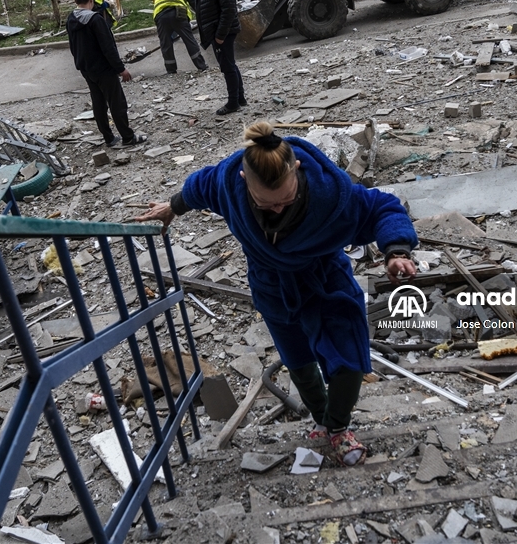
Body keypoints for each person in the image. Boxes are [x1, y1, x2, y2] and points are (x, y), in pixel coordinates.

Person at [136, 122, 418, 466]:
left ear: (296, 169)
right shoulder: (227, 182)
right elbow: (198, 187)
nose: (279, 209)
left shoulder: (332, 194)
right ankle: (319, 418)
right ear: (243, 179)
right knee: (298, 359)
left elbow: (382, 208)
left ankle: (337, 426)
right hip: (272, 285)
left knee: (348, 358)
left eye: (287, 198)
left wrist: (397, 251)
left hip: (325, 280)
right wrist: (170, 208)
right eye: (267, 204)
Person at [66, 0, 147, 149]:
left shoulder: (71, 19)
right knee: (117, 103)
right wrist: (120, 68)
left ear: (75, 1)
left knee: (98, 103)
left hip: (86, 69)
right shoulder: (96, 20)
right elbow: (108, 48)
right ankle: (128, 137)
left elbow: (73, 46)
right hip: (103, 69)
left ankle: (108, 138)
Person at [193, 0, 245, 115]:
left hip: (222, 31)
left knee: (227, 66)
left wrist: (220, 36)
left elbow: (229, 10)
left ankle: (233, 103)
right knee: (229, 64)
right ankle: (240, 98)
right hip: (214, 30)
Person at [152, 0, 208, 74]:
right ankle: (202, 66)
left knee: (166, 44)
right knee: (189, 39)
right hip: (177, 14)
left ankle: (171, 71)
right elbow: (193, 0)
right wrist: (202, 15)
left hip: (160, 17)